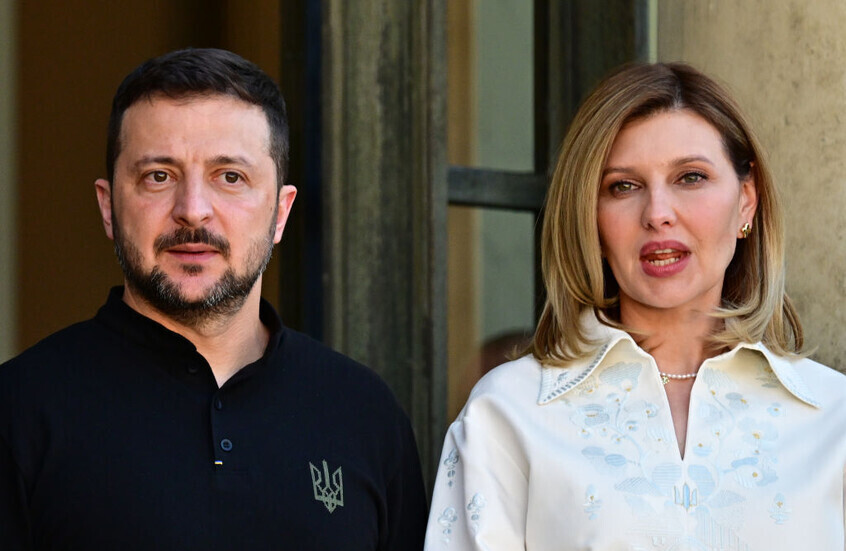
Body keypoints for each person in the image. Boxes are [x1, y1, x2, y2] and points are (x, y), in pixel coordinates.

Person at [0, 48, 427, 550]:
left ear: (280, 212)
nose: (193, 210)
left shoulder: (365, 416)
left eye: (230, 177)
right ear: (108, 206)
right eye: (159, 176)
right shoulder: (18, 409)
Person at [425, 63, 846, 550]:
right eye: (623, 186)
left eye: (691, 177)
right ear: (590, 216)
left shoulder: (833, 418)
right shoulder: (508, 413)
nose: (658, 213)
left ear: (746, 201)